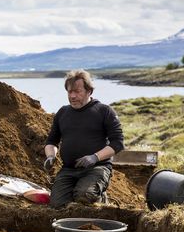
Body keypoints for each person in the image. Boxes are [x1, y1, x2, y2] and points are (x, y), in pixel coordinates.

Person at [44, 69, 124, 208]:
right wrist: (50, 156)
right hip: (68, 170)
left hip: (97, 168)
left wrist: (95, 157)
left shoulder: (104, 111)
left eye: (77, 91)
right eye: (70, 92)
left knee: (84, 196)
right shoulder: (63, 113)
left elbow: (118, 143)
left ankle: (100, 196)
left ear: (89, 91)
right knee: (57, 204)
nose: (73, 96)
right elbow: (51, 141)